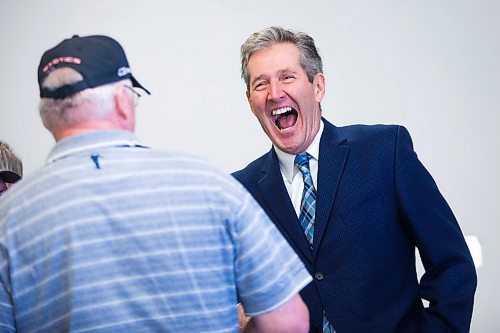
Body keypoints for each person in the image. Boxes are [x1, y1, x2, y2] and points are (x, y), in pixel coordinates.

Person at [0, 34, 312, 333]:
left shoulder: (8, 216)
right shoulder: (209, 186)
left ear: (46, 117)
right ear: (124, 101)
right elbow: (289, 322)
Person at [233, 26, 477, 333]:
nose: (275, 93)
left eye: (287, 77)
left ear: (318, 86)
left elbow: (452, 263)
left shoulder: (385, 151)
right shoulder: (239, 192)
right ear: (249, 101)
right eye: (260, 84)